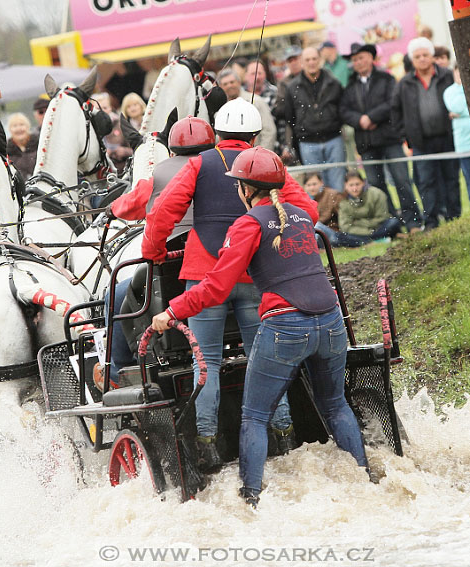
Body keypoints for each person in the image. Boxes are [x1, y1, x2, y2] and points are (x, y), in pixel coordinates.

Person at [150, 147, 369, 507]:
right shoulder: (301, 215)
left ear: (245, 190)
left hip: (286, 327)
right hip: (331, 322)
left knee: (253, 416)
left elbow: (218, 286)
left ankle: (250, 500)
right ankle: (364, 478)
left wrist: (173, 309)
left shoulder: (248, 224)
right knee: (335, 406)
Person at [142, 98, 319, 471]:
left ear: (217, 135)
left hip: (204, 278)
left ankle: (207, 444)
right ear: (256, 135)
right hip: (257, 278)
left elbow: (162, 214)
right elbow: (310, 213)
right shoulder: (268, 165)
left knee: (204, 361)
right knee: (265, 359)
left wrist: (154, 252)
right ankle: (283, 434)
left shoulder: (198, 164)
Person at [106, 116, 217, 385]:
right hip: (227, 261)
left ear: (172, 150)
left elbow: (131, 207)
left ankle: (117, 370)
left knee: (117, 292)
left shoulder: (159, 175)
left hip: (178, 269)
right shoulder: (228, 167)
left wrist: (111, 208)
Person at [340, 42, 423, 231]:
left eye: (361, 58)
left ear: (371, 58)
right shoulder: (350, 86)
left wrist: (371, 117)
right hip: (367, 143)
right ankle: (392, 222)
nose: (358, 62)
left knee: (401, 179)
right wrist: (360, 120)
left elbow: (392, 102)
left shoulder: (386, 79)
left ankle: (413, 221)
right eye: (355, 60)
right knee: (376, 185)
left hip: (389, 138)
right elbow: (344, 110)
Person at [391, 37, 461, 230]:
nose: (422, 59)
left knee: (451, 179)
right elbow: (395, 111)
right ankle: (431, 221)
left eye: (425, 55)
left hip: (447, 137)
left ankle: (454, 217)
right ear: (412, 60)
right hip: (421, 142)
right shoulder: (404, 83)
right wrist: (405, 136)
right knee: (426, 183)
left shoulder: (447, 75)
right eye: (417, 56)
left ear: (432, 57)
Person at [274, 46, 346, 191]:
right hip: (308, 142)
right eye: (307, 59)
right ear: (302, 62)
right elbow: (290, 116)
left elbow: (342, 108)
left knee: (338, 183)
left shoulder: (333, 82)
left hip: (333, 138)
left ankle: (339, 214)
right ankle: (321, 214)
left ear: (320, 60)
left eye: (314, 59)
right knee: (315, 186)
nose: (311, 62)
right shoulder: (292, 87)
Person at [443, 65, 470, 209]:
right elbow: (457, 107)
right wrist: (469, 102)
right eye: (458, 72)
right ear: (454, 73)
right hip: (465, 145)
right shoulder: (449, 92)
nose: (461, 75)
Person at [335, 170, 404, 247]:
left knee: (393, 222)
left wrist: (357, 222)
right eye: (351, 185)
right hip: (362, 232)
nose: (355, 188)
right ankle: (377, 240)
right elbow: (346, 227)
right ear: (345, 186)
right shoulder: (343, 201)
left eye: (357, 184)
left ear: (363, 183)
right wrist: (368, 232)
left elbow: (381, 217)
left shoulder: (377, 194)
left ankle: (366, 242)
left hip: (378, 228)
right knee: (340, 237)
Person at [218, 68, 278, 151]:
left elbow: (269, 131)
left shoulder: (256, 101)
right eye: (225, 84)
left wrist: (261, 154)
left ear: (239, 83)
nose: (229, 86)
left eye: (232, 82)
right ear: (221, 87)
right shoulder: (221, 109)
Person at [303, 172, 343, 245]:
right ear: (305, 186)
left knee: (316, 226)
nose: (312, 188)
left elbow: (343, 217)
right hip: (317, 233)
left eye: (314, 184)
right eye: (308, 185)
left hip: (335, 234)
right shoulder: (305, 199)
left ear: (321, 183)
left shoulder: (333, 195)